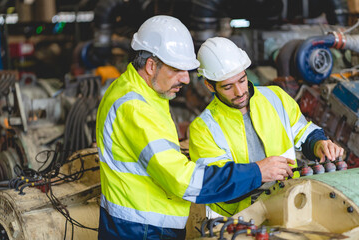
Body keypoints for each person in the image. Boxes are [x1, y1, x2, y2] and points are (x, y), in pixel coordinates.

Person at [96, 16, 296, 240]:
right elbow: (185, 181)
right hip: (142, 230)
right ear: (151, 66)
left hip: (138, 224)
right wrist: (257, 172)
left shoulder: (135, 90)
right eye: (178, 70)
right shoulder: (135, 108)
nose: (187, 79)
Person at [189, 37, 344, 217]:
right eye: (228, 87)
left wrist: (319, 144)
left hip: (289, 201)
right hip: (238, 219)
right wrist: (258, 172)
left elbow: (303, 131)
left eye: (241, 80)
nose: (239, 92)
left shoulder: (275, 97)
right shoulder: (203, 129)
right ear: (210, 85)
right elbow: (216, 184)